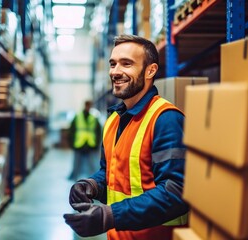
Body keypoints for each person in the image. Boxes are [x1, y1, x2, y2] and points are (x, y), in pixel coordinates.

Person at [63, 35, 189, 240]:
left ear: (151, 70)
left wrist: (111, 215)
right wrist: (92, 185)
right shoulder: (113, 120)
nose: (115, 72)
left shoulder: (165, 119)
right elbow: (113, 175)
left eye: (126, 64)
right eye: (113, 64)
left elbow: (176, 192)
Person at [68, 100, 102, 181]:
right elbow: (71, 131)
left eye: (89, 105)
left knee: (93, 165)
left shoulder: (94, 118)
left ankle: (93, 181)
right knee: (76, 165)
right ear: (85, 105)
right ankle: (75, 181)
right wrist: (72, 143)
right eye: (87, 105)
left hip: (91, 144)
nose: (88, 107)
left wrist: (97, 144)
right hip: (79, 144)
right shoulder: (77, 117)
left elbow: (98, 132)